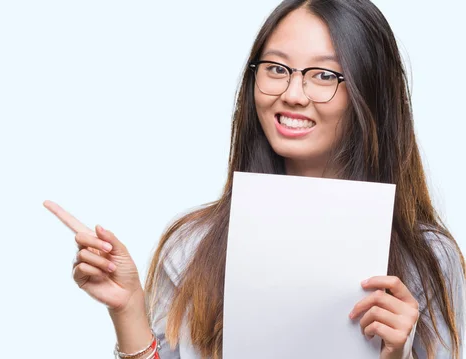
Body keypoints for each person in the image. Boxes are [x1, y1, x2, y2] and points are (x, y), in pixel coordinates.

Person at [44, 0, 465, 358]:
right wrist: (128, 308)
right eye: (277, 68)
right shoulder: (192, 247)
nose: (293, 93)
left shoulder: (429, 259)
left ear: (370, 92)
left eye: (323, 75)